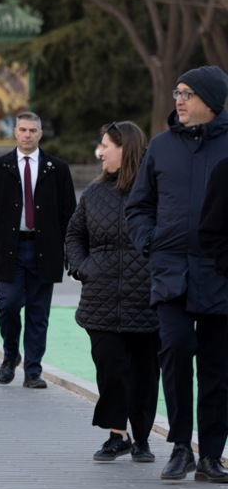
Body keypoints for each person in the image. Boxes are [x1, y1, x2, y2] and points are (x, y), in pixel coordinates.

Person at [126, 65, 228, 482]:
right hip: (171, 273)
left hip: (221, 274)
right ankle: (182, 446)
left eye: (187, 93)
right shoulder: (161, 146)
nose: (179, 100)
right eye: (177, 92)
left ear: (210, 100)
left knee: (219, 369)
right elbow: (138, 206)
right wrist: (151, 243)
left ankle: (212, 455)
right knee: (175, 353)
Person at [65, 121, 159, 463]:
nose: (99, 152)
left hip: (147, 299)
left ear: (126, 149)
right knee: (111, 368)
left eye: (105, 146)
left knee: (145, 374)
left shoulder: (157, 191)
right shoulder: (94, 192)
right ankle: (117, 434)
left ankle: (143, 439)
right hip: (101, 299)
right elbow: (74, 235)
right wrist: (82, 267)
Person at [0, 111, 75, 389]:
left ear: (40, 134)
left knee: (38, 311)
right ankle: (9, 356)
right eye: (23, 129)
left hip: (46, 248)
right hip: (10, 249)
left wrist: (72, 252)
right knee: (8, 304)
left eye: (33, 130)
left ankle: (33, 370)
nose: (28, 134)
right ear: (15, 133)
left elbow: (70, 213)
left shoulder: (57, 169)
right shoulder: (0, 167)